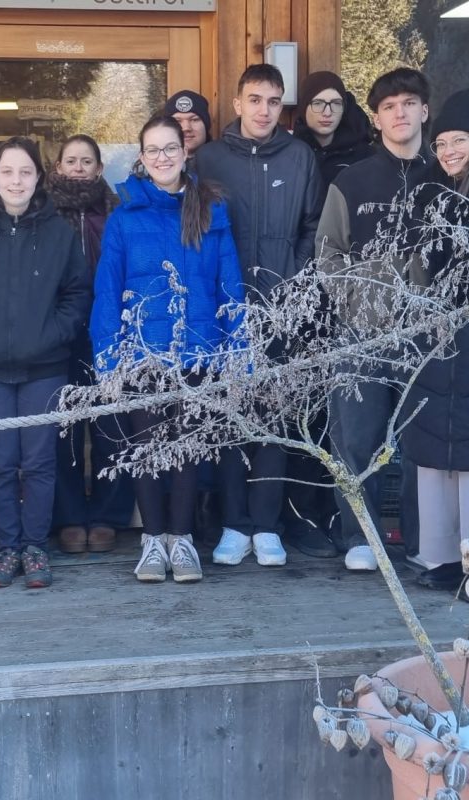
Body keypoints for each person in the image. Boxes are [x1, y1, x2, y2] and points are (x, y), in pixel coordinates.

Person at [92, 115, 244, 583]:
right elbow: (107, 290)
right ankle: (152, 540)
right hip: (142, 355)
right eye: (153, 150)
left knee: (187, 450)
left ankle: (182, 542)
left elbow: (229, 285)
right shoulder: (124, 216)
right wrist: (108, 360)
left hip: (198, 352)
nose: (162, 157)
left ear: (185, 153)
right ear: (142, 157)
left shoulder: (210, 209)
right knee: (147, 449)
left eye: (170, 148)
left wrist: (238, 350)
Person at [196, 63, 322, 568]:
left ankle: (266, 525)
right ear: (237, 103)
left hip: (281, 308)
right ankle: (233, 523)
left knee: (273, 417)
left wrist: (294, 278)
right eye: (255, 99)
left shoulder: (300, 156)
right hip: (224, 309)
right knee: (228, 421)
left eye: (273, 101)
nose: (263, 110)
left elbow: (314, 226)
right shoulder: (208, 158)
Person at [0, 136, 92, 589]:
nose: (16, 181)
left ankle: (34, 545)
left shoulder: (58, 233)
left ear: (38, 177)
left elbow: (76, 294)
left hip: (43, 367)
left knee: (37, 462)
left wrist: (53, 335)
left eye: (25, 172)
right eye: (8, 172)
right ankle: (6, 546)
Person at [315, 67, 433, 573]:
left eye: (408, 103)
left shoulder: (445, 175)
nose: (399, 113)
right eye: (388, 106)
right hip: (360, 334)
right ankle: (359, 537)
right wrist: (358, 302)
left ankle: (426, 539)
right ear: (377, 118)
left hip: (429, 337)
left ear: (425, 110)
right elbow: (327, 252)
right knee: (356, 438)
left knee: (423, 440)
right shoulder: (352, 178)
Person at [402, 88, 469, 591]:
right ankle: (440, 556)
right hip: (436, 334)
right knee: (435, 444)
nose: (449, 150)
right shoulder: (430, 190)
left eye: (458, 139)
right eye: (440, 142)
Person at [284, 71, 375, 559]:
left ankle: (350, 522)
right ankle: (302, 514)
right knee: (304, 414)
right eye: (317, 102)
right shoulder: (294, 153)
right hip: (301, 302)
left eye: (334, 103)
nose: (325, 111)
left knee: (346, 420)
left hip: (353, 309)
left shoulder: (364, 154)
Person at [47, 133, 134, 555]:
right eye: (71, 160)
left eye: (87, 161)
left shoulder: (115, 209)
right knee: (63, 427)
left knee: (110, 426)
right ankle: (67, 515)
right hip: (60, 334)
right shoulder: (43, 211)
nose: (79, 167)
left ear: (100, 168)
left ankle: (107, 513)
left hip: (110, 332)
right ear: (58, 167)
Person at [162, 89, 212, 157]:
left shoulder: (224, 163)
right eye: (177, 121)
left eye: (194, 120)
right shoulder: (151, 165)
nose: (186, 128)